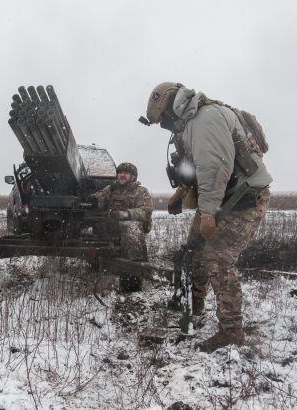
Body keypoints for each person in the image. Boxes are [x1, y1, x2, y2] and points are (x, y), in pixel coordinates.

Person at [144, 82, 273, 352]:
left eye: (163, 121)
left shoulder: (205, 119)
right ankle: (195, 305)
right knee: (193, 250)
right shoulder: (192, 122)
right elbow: (199, 167)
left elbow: (215, 168)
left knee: (217, 259)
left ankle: (231, 331)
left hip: (244, 200)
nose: (165, 127)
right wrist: (181, 193)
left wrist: (207, 214)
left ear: (169, 106)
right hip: (223, 198)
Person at [93, 162, 154, 292]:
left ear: (133, 176)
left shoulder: (141, 191)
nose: (122, 175)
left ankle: (132, 282)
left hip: (131, 228)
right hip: (112, 226)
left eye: (126, 173)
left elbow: (146, 211)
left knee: (131, 227)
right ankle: (99, 264)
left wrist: (126, 214)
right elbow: (99, 198)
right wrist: (94, 202)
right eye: (120, 172)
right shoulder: (111, 189)